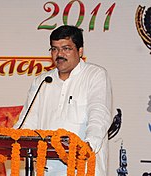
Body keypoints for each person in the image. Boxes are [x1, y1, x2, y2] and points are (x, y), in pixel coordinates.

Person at [14, 25, 113, 176]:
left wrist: (87, 146)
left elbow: (99, 115)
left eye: (66, 48)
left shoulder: (95, 75)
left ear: (80, 51)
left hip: (82, 167)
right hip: (46, 169)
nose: (59, 54)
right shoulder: (42, 81)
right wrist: (12, 140)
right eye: (54, 49)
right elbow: (27, 123)